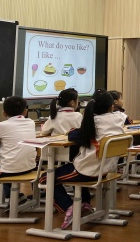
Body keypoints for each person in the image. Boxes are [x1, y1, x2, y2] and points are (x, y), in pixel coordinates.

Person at [42, 90, 125, 230]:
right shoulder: (119, 119)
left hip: (88, 171)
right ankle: (85, 203)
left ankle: (70, 207)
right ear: (112, 107)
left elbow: (73, 136)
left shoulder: (93, 123)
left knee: (46, 178)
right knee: (74, 168)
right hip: (106, 170)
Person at [0, 96, 36, 201]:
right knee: (8, 162)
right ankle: (14, 197)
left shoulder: (1, 125)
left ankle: (12, 197)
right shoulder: (31, 122)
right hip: (30, 168)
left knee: (4, 166)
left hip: (9, 171)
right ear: (25, 112)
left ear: (4, 113)